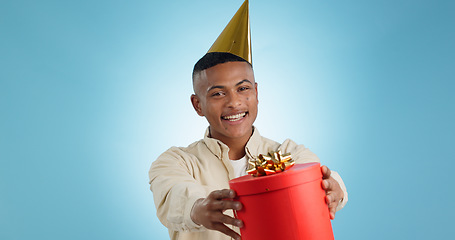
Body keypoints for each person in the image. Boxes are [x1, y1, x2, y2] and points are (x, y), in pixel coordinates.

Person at [149, 1, 347, 240]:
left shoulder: (288, 153)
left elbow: (317, 175)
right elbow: (173, 195)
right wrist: (198, 208)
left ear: (256, 93)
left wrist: (334, 186)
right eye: (218, 93)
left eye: (243, 89)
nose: (234, 102)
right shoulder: (176, 162)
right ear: (197, 105)